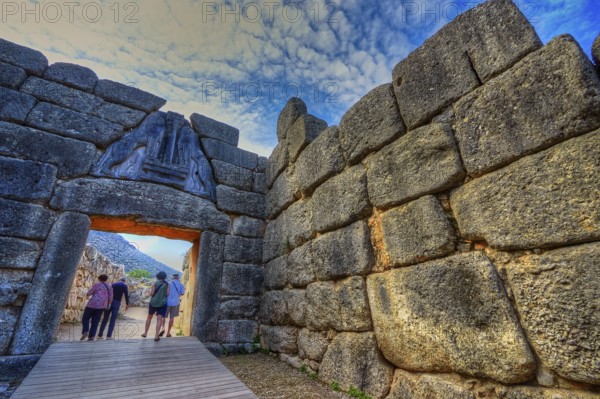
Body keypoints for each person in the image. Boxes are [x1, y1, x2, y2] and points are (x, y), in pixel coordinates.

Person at [81, 274, 113, 341]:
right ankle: (92, 336)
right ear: (106, 279)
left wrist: (87, 294)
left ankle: (85, 330)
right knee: (95, 321)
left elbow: (89, 293)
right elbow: (110, 297)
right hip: (102, 306)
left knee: (85, 318)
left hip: (92, 304)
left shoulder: (97, 285)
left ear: (99, 279)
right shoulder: (110, 287)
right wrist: (109, 305)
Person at [142, 271, 169, 341]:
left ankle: (145, 333)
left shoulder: (155, 284)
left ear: (158, 276)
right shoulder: (167, 284)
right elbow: (167, 294)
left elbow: (152, 293)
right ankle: (156, 336)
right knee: (159, 319)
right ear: (164, 277)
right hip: (162, 303)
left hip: (153, 303)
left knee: (149, 317)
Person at [161, 273, 185, 337]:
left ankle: (162, 328)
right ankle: (168, 333)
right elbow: (182, 293)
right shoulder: (181, 285)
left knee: (163, 316)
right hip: (175, 303)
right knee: (172, 318)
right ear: (178, 278)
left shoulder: (168, 283)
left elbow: (165, 293)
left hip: (167, 302)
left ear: (172, 277)